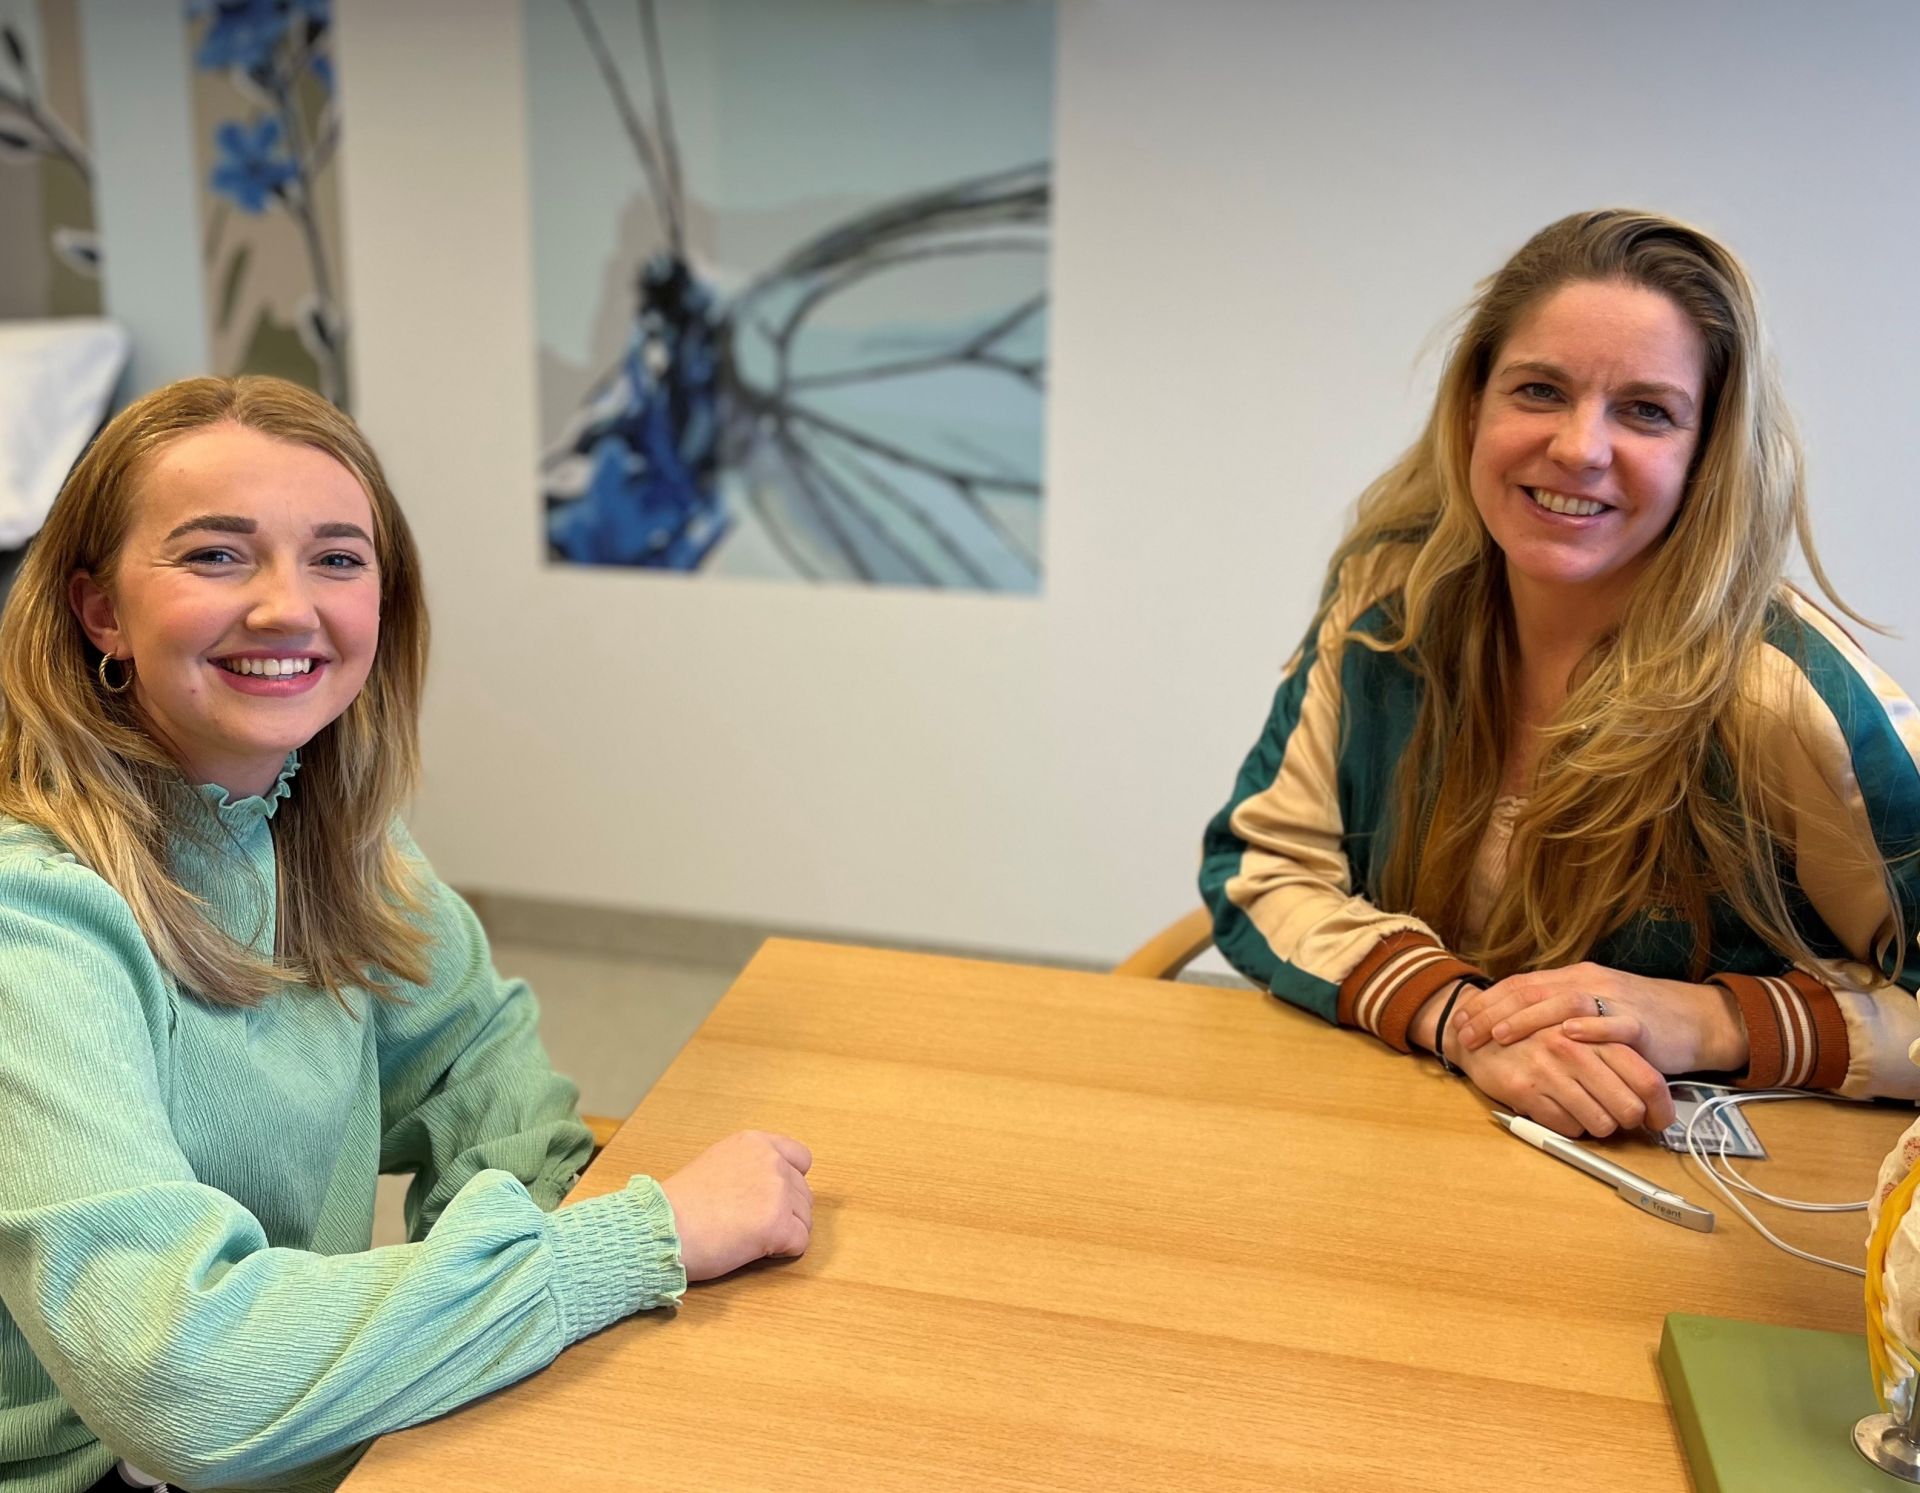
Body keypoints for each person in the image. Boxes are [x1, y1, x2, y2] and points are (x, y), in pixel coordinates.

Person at [0, 376, 815, 1493]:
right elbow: (182, 1382)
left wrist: (488, 1302)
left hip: (300, 1450)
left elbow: (505, 1112)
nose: (289, 607)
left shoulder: (336, 840)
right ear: (100, 611)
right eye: (217, 555)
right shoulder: (30, 919)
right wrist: (637, 1240)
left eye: (337, 558)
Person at [1200, 208, 1920, 1140]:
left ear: (1707, 455)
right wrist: (1458, 1016)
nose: (1580, 448)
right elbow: (1263, 866)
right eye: (1540, 390)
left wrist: (1709, 1019)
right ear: (1472, 407)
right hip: (1408, 1142)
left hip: (1721, 1193)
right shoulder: (1390, 598)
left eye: (1647, 411)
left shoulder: (1787, 693)